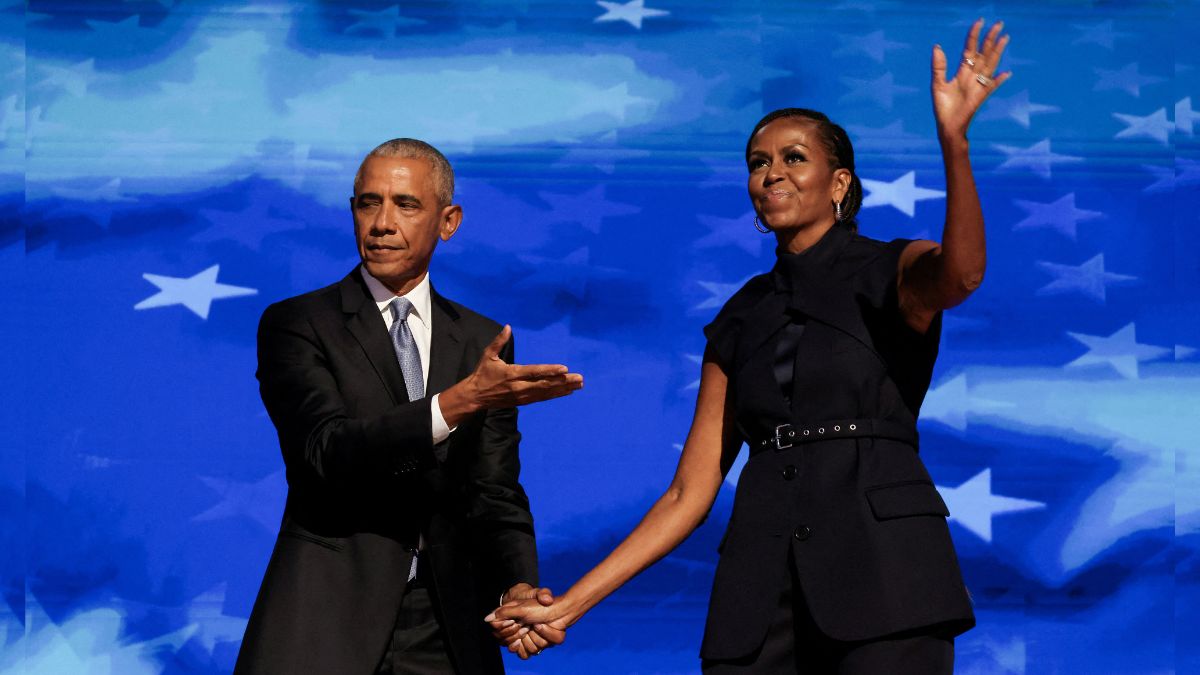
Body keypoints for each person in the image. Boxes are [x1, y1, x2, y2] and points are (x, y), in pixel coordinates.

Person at [490, 19, 1010, 672]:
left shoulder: (891, 268)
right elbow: (689, 492)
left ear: (840, 184)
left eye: (794, 158)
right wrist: (567, 606)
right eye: (758, 163)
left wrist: (954, 143)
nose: (771, 174)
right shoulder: (741, 315)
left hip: (886, 581)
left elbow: (962, 275)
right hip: (761, 594)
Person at [234, 138, 582, 675]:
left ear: (449, 221)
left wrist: (518, 586)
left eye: (406, 204)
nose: (381, 223)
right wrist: (458, 401)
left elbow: (495, 490)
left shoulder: (483, 340)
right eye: (368, 202)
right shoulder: (299, 324)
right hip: (327, 618)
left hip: (448, 623)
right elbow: (326, 451)